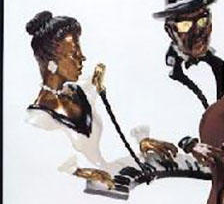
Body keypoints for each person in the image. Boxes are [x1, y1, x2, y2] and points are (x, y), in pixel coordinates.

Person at [26, 11, 177, 188]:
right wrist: (81, 172)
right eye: (73, 53)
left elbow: (113, 135)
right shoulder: (38, 121)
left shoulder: (82, 92)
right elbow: (49, 173)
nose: (82, 57)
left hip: (115, 180)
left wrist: (141, 142)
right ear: (51, 63)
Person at [153, 0, 224, 109]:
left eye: (202, 21)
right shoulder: (160, 80)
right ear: (170, 31)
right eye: (185, 25)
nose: (197, 31)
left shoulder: (221, 64)